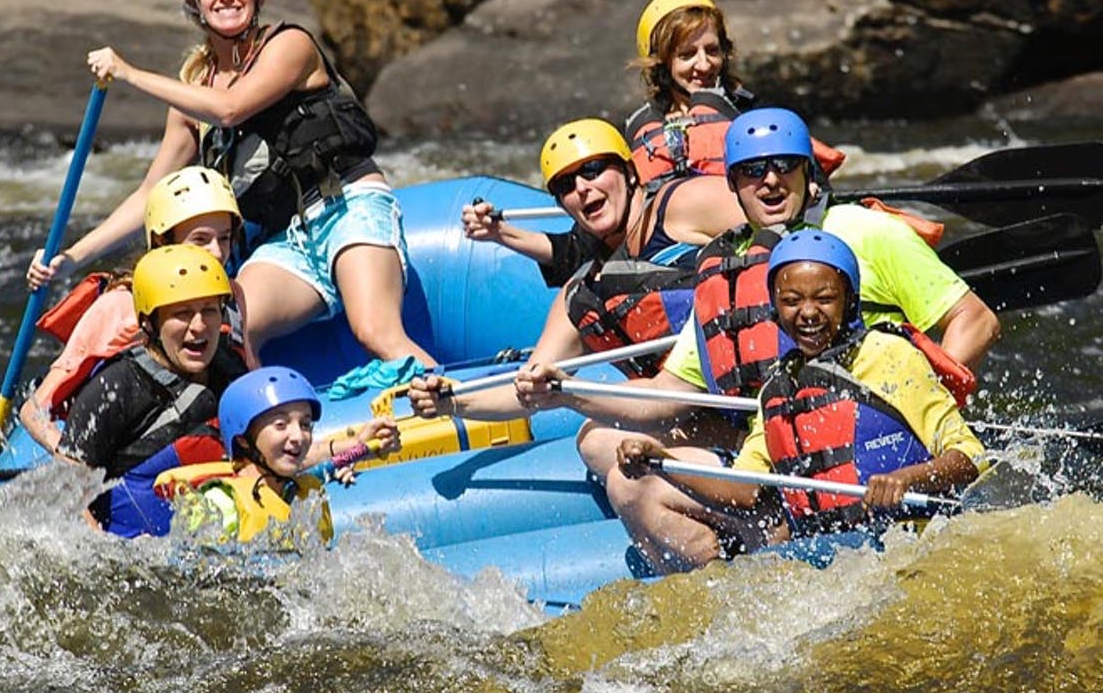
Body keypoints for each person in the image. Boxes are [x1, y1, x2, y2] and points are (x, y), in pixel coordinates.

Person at [576, 108, 1000, 567]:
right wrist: (577, 403)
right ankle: (723, 582)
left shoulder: (868, 248)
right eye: (753, 171)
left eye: (785, 165)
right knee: (614, 463)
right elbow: (686, 408)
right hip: (784, 462)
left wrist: (906, 432)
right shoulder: (736, 285)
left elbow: (976, 324)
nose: (771, 181)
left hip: (887, 473)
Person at [27, 0, 434, 368]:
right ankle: (262, 410)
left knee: (374, 332)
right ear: (195, 3)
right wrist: (70, 258)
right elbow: (149, 195)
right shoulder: (193, 92)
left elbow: (231, 109)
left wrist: (129, 73)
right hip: (286, 237)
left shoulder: (290, 45)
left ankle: (458, 401)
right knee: (231, 327)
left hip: (348, 207)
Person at [615, 230, 987, 571]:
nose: (808, 313)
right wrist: (662, 462)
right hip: (833, 557)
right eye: (791, 301)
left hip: (910, 543)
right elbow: (743, 491)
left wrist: (907, 480)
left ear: (849, 301)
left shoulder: (887, 355)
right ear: (775, 310)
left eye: (825, 299)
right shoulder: (777, 389)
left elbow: (971, 455)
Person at [461, 0, 845, 287]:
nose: (704, 65)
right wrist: (500, 232)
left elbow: (813, 198)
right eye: (687, 54)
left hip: (750, 255)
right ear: (661, 62)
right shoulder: (640, 134)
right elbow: (583, 247)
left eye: (712, 51)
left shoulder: (758, 119)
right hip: (670, 268)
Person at [408, 116, 745, 419]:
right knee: (596, 441)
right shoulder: (582, 296)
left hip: (752, 383)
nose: (582, 188)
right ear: (562, 205)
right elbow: (528, 388)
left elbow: (769, 223)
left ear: (629, 172)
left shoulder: (683, 204)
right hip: (698, 416)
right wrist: (452, 400)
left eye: (593, 169)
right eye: (566, 185)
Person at [19, 166, 246, 454]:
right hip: (122, 438)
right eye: (200, 240)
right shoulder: (120, 305)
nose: (217, 252)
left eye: (224, 238)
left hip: (191, 430)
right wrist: (73, 460)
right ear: (162, 241)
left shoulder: (231, 294)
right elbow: (34, 411)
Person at [56, 245, 247, 538]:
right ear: (149, 322)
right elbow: (67, 496)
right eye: (182, 313)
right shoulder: (114, 389)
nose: (199, 326)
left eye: (209, 310)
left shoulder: (230, 369)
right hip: (130, 544)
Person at [154, 367, 401, 543]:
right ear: (243, 439)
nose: (298, 436)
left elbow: (329, 465)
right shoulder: (220, 504)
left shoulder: (303, 494)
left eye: (305, 424)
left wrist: (360, 446)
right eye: (281, 425)